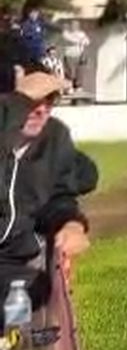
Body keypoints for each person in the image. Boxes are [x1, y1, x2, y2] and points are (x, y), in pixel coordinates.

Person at [0, 72, 96, 307]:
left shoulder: (55, 136)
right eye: (30, 101)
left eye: (50, 100)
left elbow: (58, 197)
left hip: (12, 264)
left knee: (34, 294)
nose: (41, 110)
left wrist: (72, 224)